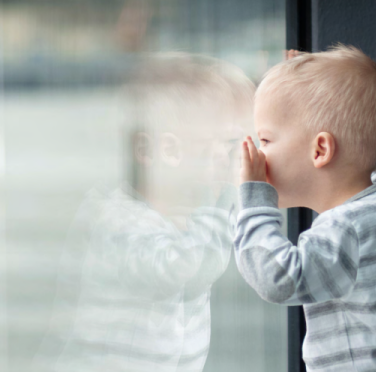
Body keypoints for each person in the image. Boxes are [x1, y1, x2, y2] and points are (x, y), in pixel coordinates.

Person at [234, 44, 376, 371]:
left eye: (265, 140)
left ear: (320, 149)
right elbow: (374, 155)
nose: (260, 153)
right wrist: (304, 77)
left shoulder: (345, 231)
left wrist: (254, 199)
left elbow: (278, 279)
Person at [32, 53, 254, 372]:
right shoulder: (117, 222)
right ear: (162, 151)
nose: (239, 159)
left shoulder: (188, 218)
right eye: (230, 145)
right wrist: (230, 195)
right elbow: (186, 269)